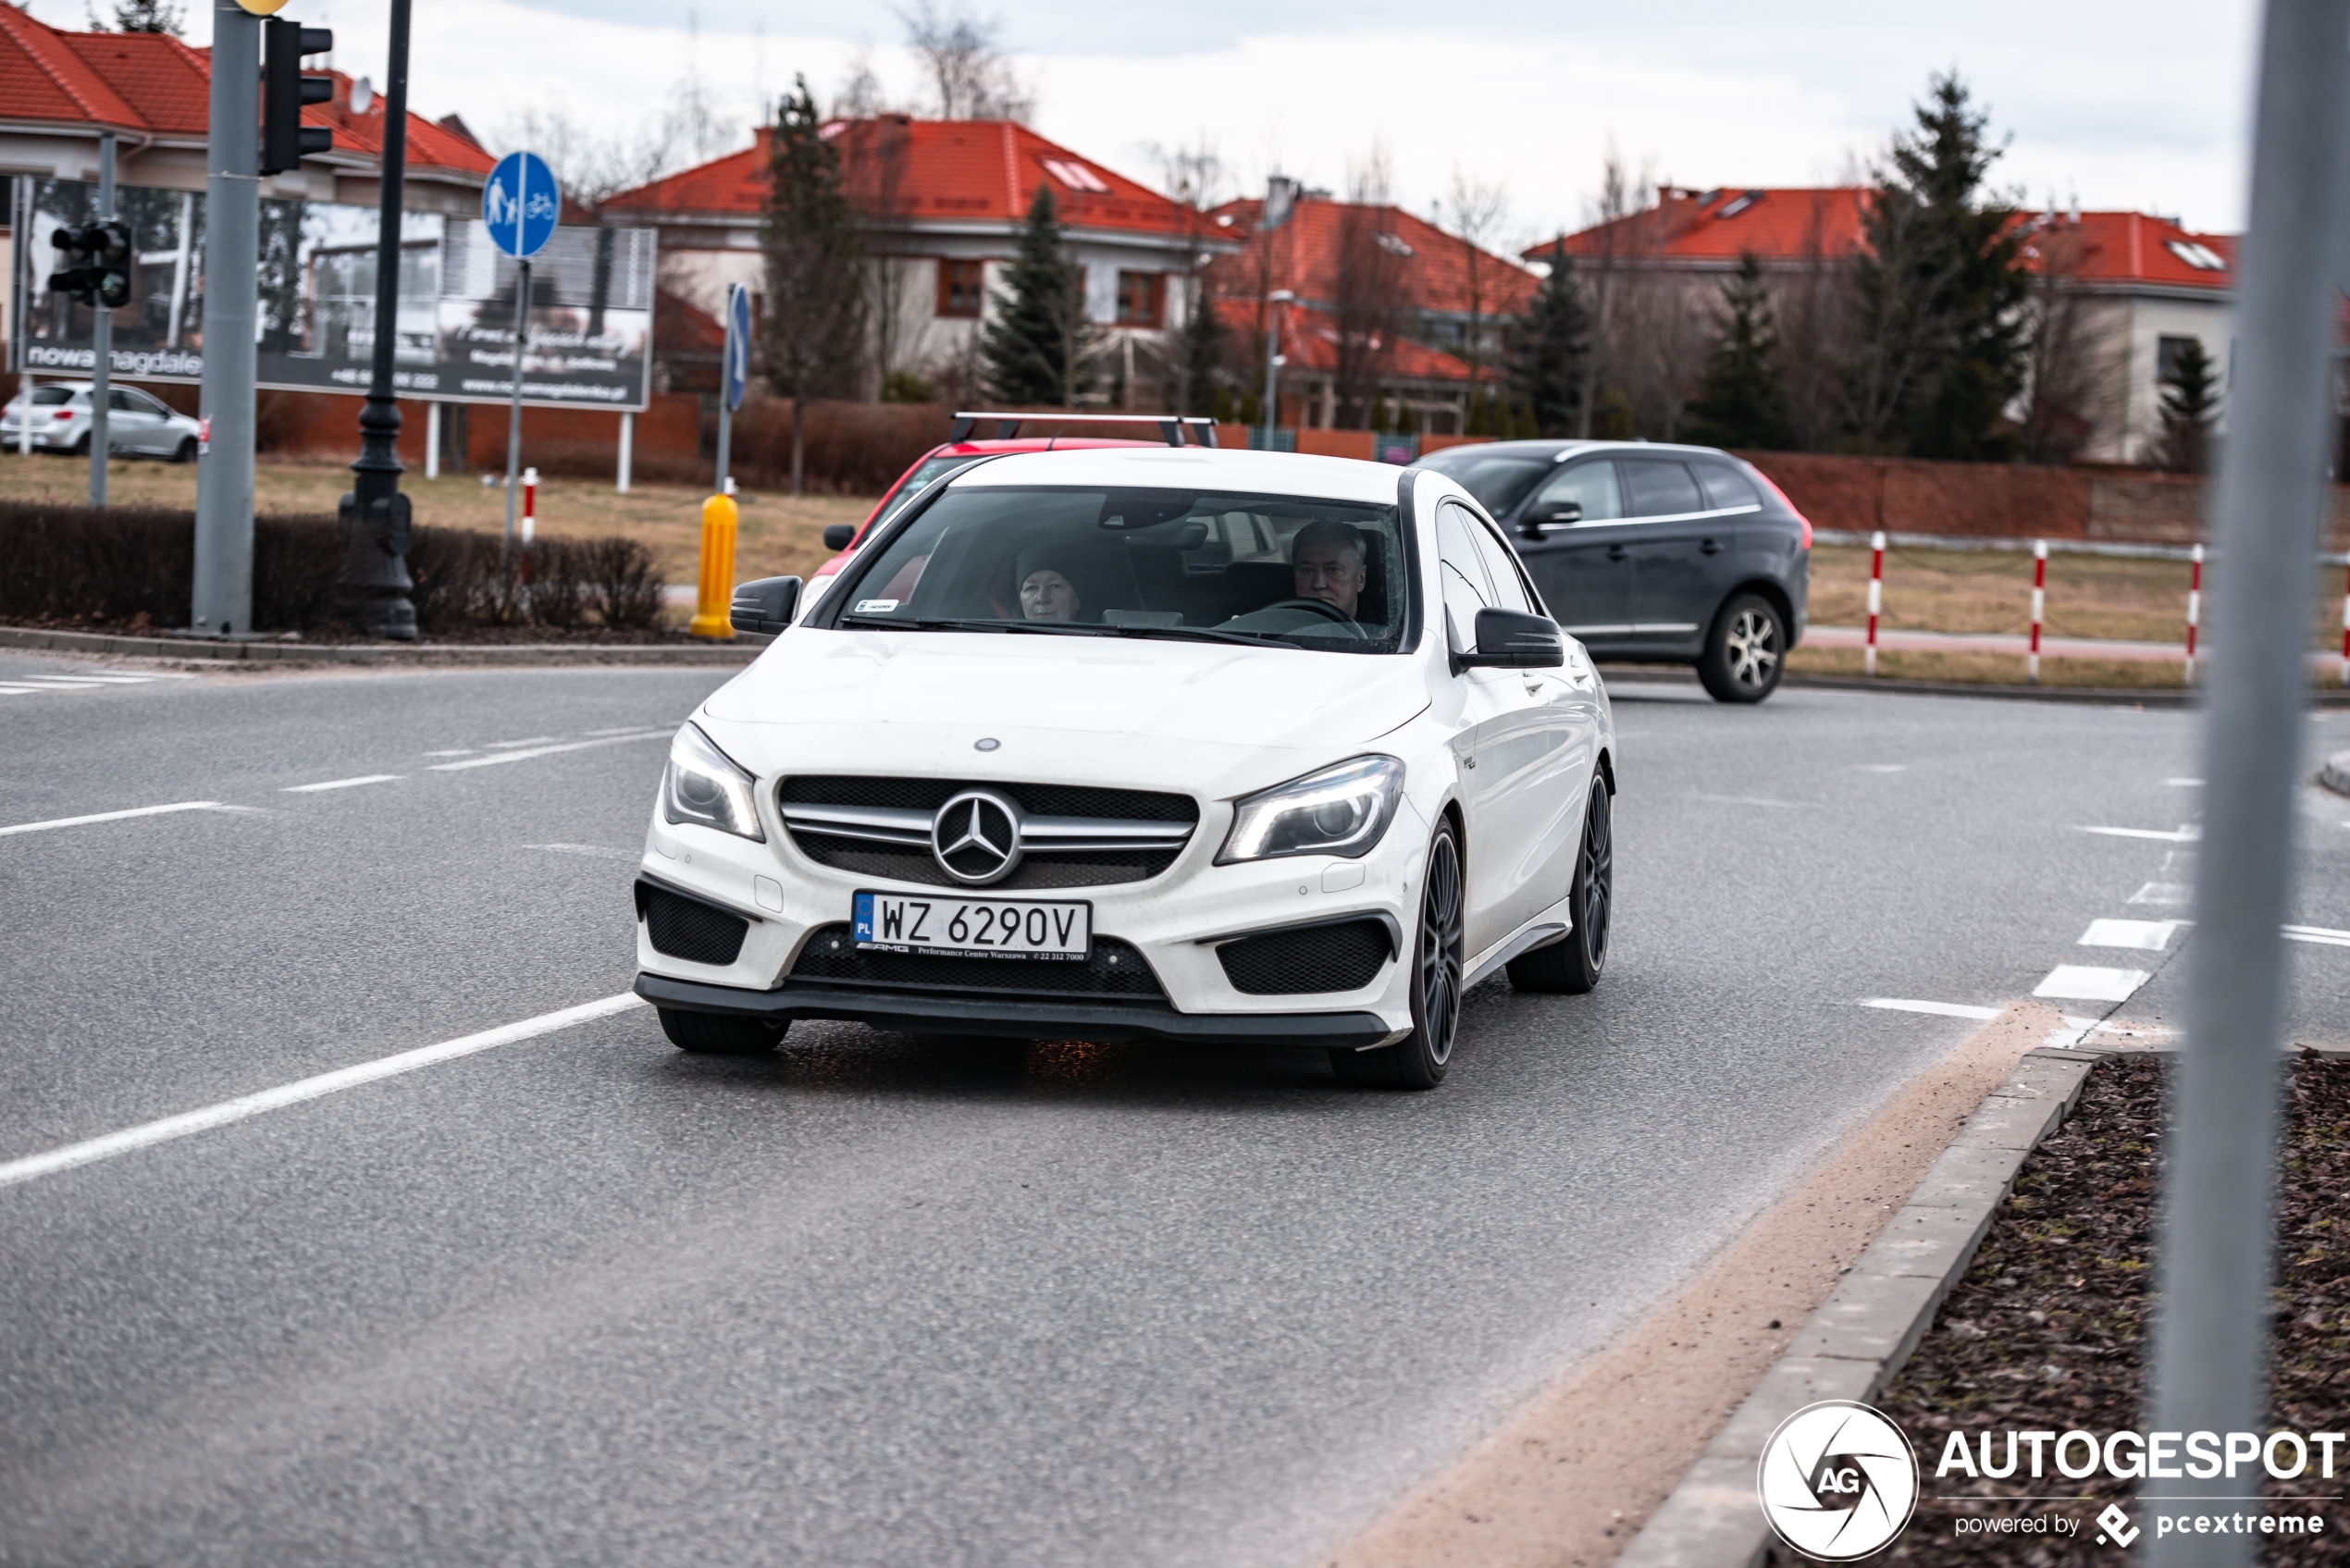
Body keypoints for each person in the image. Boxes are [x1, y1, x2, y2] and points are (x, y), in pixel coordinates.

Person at [1291, 520, 1369, 622]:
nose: (1318, 584)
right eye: (1307, 570)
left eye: (1333, 570)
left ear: (1360, 579)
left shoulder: (1387, 634)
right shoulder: (1272, 626)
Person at [1014, 547, 1083, 623]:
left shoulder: (1096, 633)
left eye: (1055, 586)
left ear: (1077, 599)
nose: (1042, 599)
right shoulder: (1004, 633)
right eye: (1031, 588)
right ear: (1020, 601)